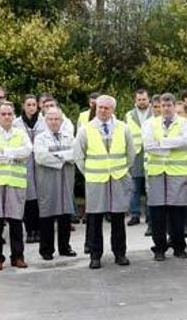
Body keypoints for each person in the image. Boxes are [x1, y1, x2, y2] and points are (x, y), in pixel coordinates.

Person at [73, 95, 135, 269]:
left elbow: (130, 153)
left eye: (106, 108)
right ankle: (95, 255)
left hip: (117, 177)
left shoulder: (123, 128)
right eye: (100, 107)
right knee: (94, 219)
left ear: (113, 110)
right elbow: (78, 155)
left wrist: (121, 169)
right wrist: (90, 172)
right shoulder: (86, 129)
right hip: (95, 179)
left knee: (118, 218)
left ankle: (120, 253)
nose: (102, 110)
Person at [0, 101, 32, 271]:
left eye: (10, 114)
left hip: (15, 183)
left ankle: (18, 256)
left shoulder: (20, 133)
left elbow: (27, 151)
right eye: (3, 114)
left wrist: (4, 152)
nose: (7, 117)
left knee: (16, 222)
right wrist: (13, 154)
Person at [143, 93, 187, 261]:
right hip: (157, 172)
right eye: (162, 106)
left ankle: (179, 247)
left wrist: (163, 143)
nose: (165, 109)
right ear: (158, 107)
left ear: (174, 106)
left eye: (169, 105)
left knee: (177, 213)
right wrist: (173, 144)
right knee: (157, 213)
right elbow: (149, 146)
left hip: (178, 173)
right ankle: (159, 248)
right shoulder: (150, 123)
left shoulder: (185, 123)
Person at [32, 107, 77, 260]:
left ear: (61, 120)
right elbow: (41, 157)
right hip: (47, 180)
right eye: (50, 119)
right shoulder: (40, 138)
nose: (53, 122)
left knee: (65, 214)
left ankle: (65, 247)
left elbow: (76, 154)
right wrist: (63, 158)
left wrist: (57, 155)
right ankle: (46, 250)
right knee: (47, 214)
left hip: (66, 180)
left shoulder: (69, 136)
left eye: (56, 119)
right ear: (46, 121)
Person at [13, 95, 41, 244]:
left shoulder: (43, 121)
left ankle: (40, 230)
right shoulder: (16, 123)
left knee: (41, 197)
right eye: (28, 104)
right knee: (28, 198)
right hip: (24, 162)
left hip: (40, 162)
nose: (31, 107)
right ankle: (30, 230)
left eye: (34, 104)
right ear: (23, 106)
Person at [125, 89, 152, 228]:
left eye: (144, 99)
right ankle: (135, 214)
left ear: (149, 100)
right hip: (135, 153)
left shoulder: (155, 113)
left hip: (150, 152)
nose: (142, 102)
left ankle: (149, 215)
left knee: (149, 185)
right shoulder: (129, 115)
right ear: (135, 101)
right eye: (139, 99)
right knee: (134, 186)